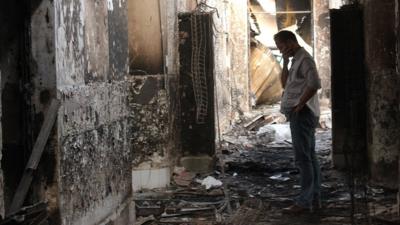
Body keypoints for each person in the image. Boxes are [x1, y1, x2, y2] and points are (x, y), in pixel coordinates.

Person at [273, 30, 322, 213]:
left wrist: (301, 103)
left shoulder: (305, 59)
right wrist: (284, 62)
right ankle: (314, 197)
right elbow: (285, 84)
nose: (280, 50)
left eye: (282, 46)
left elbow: (315, 83)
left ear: (291, 42)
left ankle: (304, 202)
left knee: (303, 159)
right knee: (309, 155)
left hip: (303, 114)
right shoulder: (295, 60)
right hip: (300, 113)